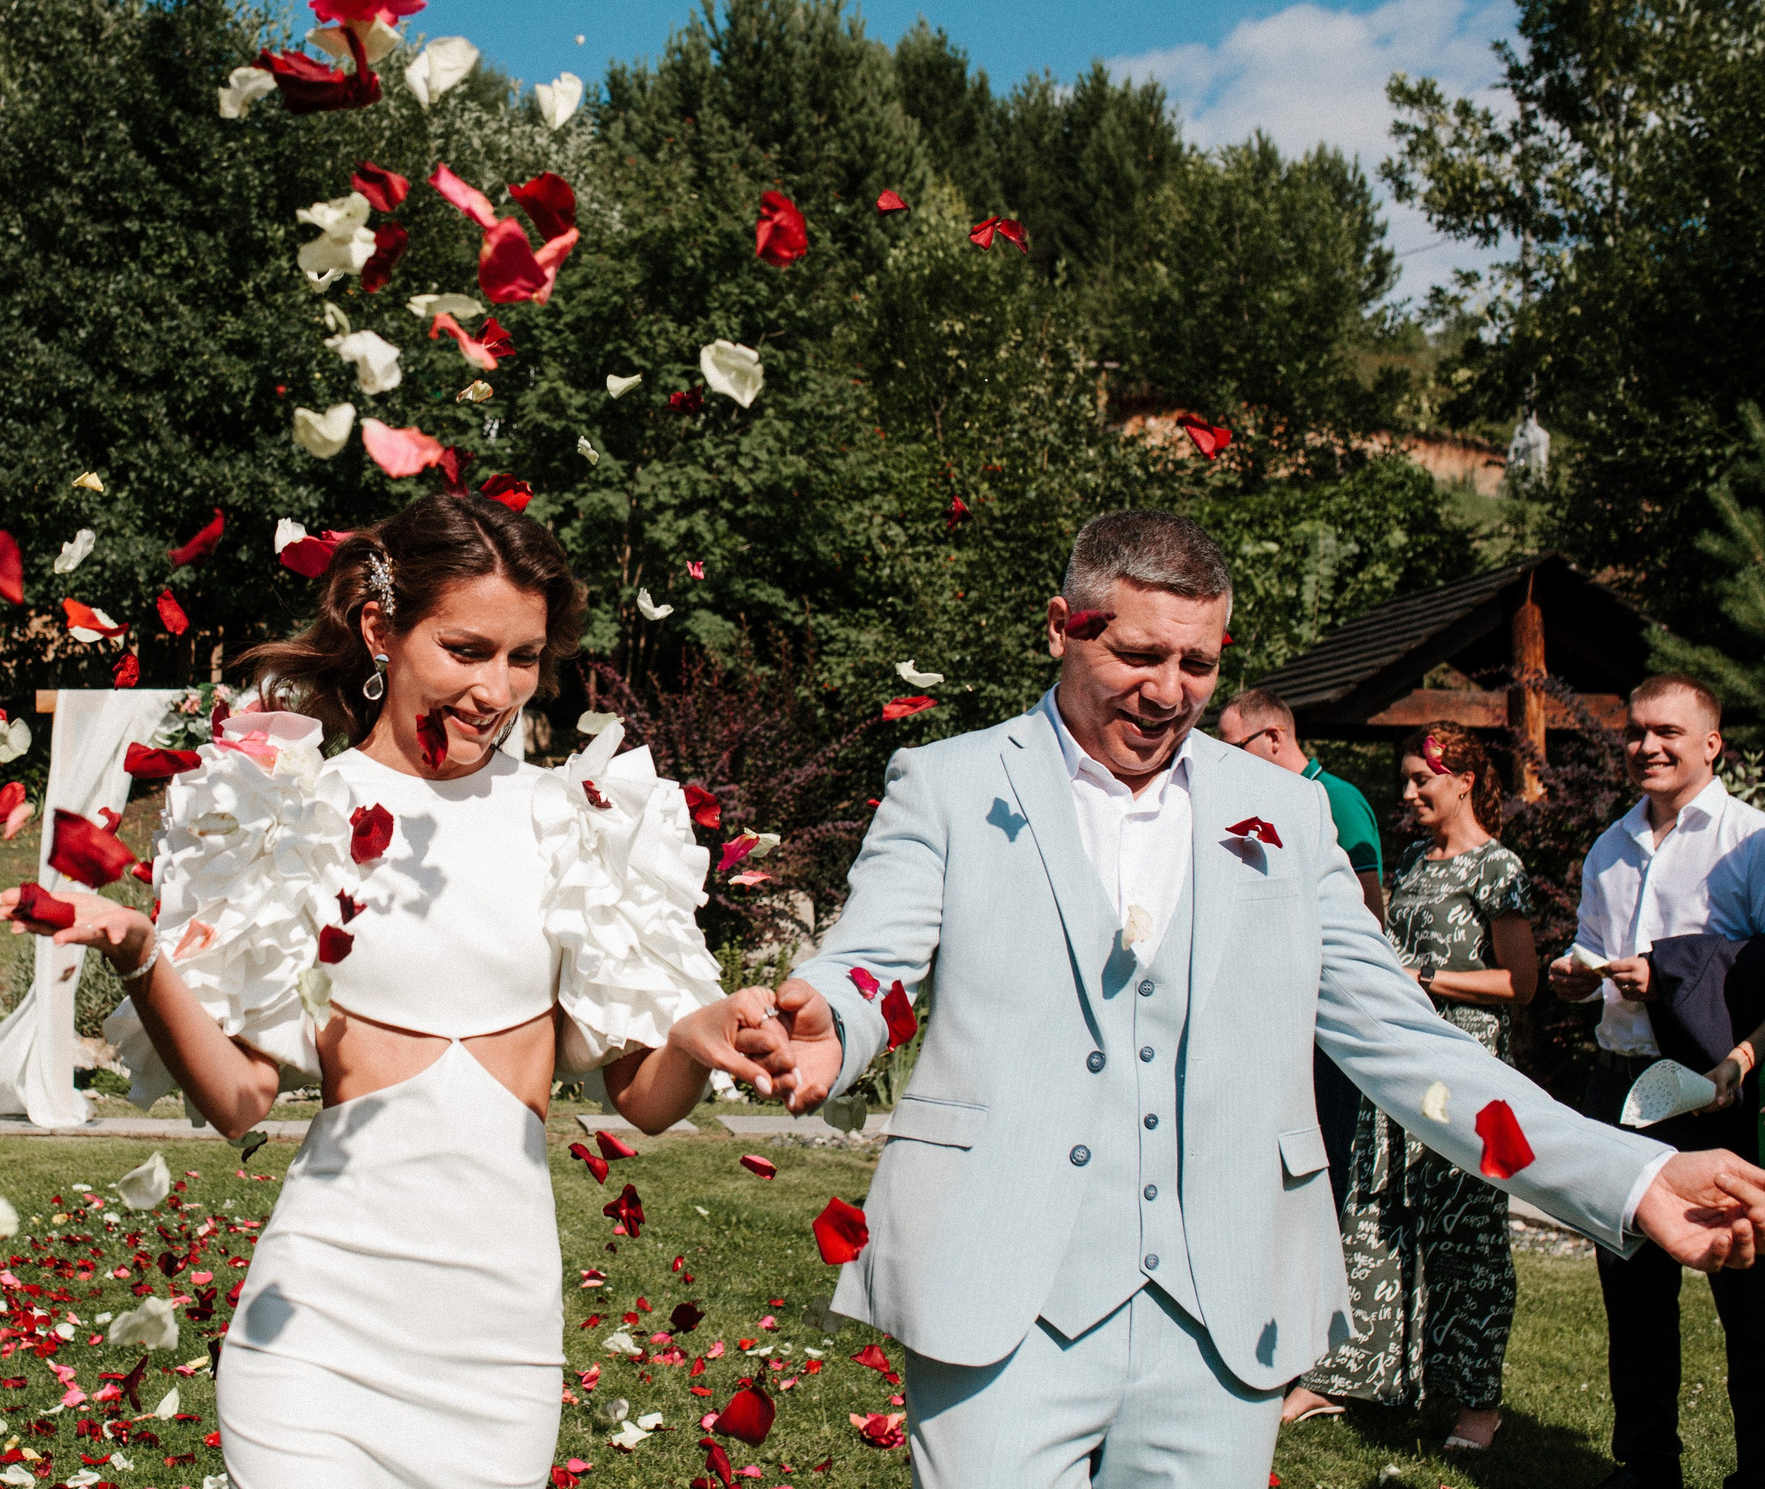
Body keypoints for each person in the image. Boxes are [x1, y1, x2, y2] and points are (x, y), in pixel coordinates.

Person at [754, 510, 1765, 1489]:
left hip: (1223, 1309)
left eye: (1197, 666)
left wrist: (1633, 1179)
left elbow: (1412, 1048)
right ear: (1061, 627)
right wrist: (827, 1029)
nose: (1168, 693)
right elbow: (870, 963)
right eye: (1139, 657)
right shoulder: (944, 783)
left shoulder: (1284, 815)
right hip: (999, 1288)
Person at [13, 492, 782, 1486]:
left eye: (522, 658)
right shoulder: (290, 811)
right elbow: (239, 1098)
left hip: (498, 1353)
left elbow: (641, 1105)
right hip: (318, 1335)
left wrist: (691, 1034)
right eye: (465, 649)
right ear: (381, 626)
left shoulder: (576, 820)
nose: (496, 689)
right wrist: (139, 950)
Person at [1289, 724, 1537, 1447]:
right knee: (1374, 1217)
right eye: (1404, 780)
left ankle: (1475, 1403)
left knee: (1468, 1234)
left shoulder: (1499, 867)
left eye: (1420, 780)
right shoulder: (1413, 861)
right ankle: (1351, 1378)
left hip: (1467, 1068)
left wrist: (1424, 979)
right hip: (1398, 1061)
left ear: (1462, 780)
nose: (1407, 793)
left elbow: (1519, 982)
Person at [1551, 674, 1765, 1489]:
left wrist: (1729, 1057)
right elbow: (1586, 944)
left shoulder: (1752, 841)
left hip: (1710, 1094)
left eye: (1668, 731)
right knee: (1632, 1291)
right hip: (1621, 1087)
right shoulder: (1610, 844)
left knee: (1748, 1297)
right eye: (1637, 730)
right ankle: (1646, 1465)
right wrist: (1580, 974)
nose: (1647, 745)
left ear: (1712, 742)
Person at [1218, 685, 1388, 1183]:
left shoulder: (1337, 799)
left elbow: (1368, 914)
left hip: (1326, 1014)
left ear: (1273, 737)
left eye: (1232, 747)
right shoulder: (1255, 806)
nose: (1222, 762)